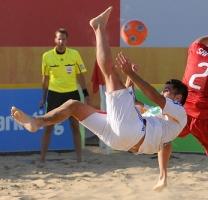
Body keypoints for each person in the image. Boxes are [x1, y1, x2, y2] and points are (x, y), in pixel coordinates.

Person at [11, 7, 188, 157]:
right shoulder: (158, 114)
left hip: (130, 134)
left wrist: (131, 76)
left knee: (110, 74)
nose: (164, 92)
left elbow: (155, 97)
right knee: (73, 105)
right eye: (164, 89)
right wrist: (129, 79)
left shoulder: (179, 113)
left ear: (178, 97)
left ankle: (98, 27)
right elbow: (130, 103)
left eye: (168, 90)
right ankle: (37, 121)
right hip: (120, 138)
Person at [154, 27, 208, 200]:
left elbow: (199, 40)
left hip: (182, 111)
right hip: (204, 118)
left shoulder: (196, 48)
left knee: (164, 136)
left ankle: (163, 176)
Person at [39, 28, 90, 162]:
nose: (61, 41)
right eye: (59, 39)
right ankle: (42, 159)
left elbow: (80, 75)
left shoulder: (74, 54)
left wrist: (85, 94)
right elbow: (45, 79)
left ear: (67, 40)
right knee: (48, 126)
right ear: (55, 40)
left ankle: (79, 159)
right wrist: (43, 98)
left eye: (64, 39)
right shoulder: (46, 56)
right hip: (54, 94)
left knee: (75, 126)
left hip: (71, 94)